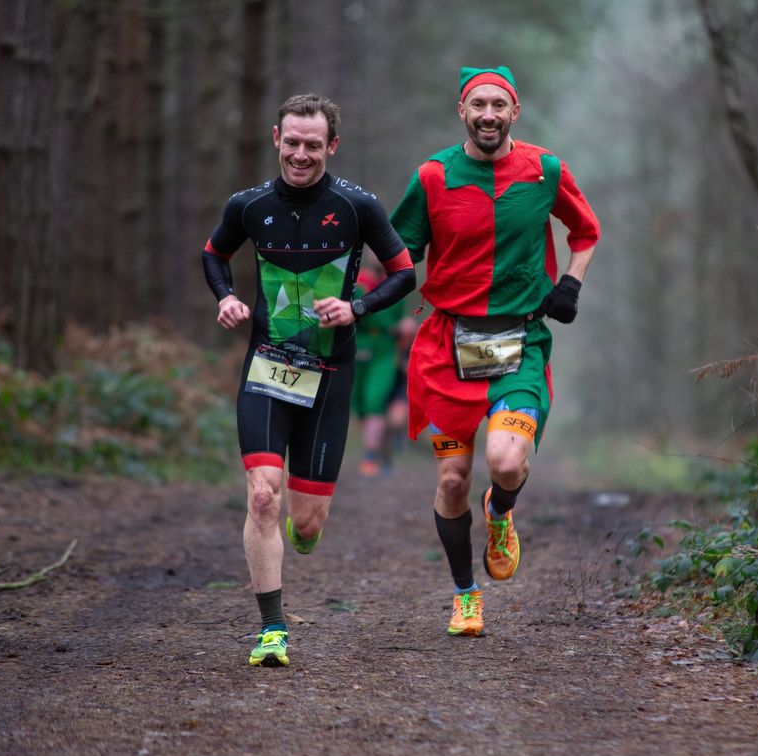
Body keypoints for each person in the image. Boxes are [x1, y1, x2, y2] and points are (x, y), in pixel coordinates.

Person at [202, 94, 415, 666]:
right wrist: (225, 297)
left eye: (313, 145)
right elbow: (214, 254)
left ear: (331, 146)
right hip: (267, 369)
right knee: (263, 496)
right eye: (292, 142)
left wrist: (358, 308)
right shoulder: (248, 205)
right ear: (276, 138)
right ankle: (272, 629)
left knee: (305, 519)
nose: (300, 154)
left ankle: (306, 529)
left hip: (330, 374)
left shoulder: (356, 205)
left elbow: (403, 275)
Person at [390, 67, 600, 637]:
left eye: (498, 105)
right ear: (462, 109)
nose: (488, 114)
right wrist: (359, 301)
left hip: (520, 343)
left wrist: (572, 283)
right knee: (453, 480)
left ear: (515, 112)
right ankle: (465, 596)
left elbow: (586, 231)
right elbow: (399, 252)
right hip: (447, 348)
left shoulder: (544, 169)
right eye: (477, 104)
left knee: (506, 463)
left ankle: (502, 512)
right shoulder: (433, 176)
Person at [350, 257, 413, 477]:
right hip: (358, 347)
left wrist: (404, 328)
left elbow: (400, 320)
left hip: (385, 351)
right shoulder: (355, 284)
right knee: (360, 404)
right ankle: (377, 449)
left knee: (375, 399)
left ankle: (370, 455)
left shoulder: (397, 284)